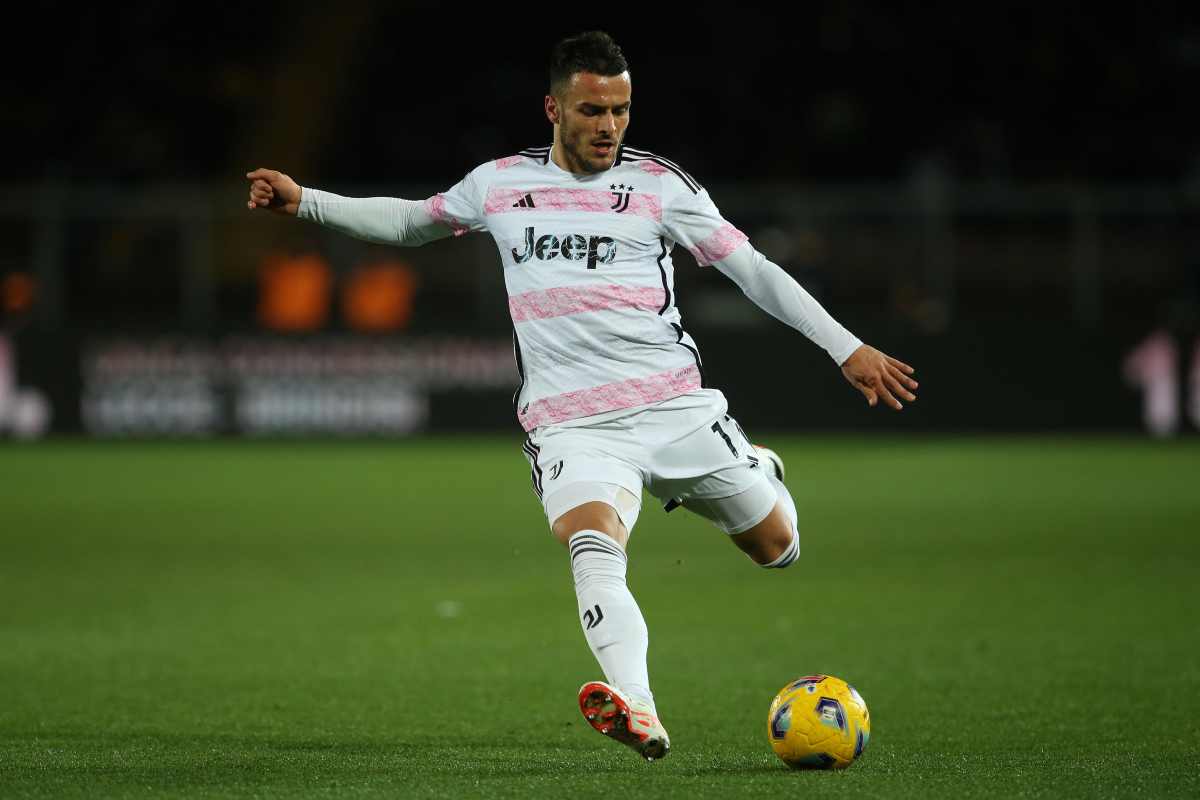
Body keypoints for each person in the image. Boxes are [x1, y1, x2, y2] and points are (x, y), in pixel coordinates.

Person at [246, 30, 917, 762]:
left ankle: (760, 467)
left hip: (674, 408)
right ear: (554, 109)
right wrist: (306, 203)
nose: (609, 126)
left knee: (776, 548)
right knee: (593, 547)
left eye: (621, 111)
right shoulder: (500, 184)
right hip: (572, 423)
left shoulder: (661, 187)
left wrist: (846, 347)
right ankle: (639, 707)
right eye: (593, 110)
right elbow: (412, 222)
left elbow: (752, 270)